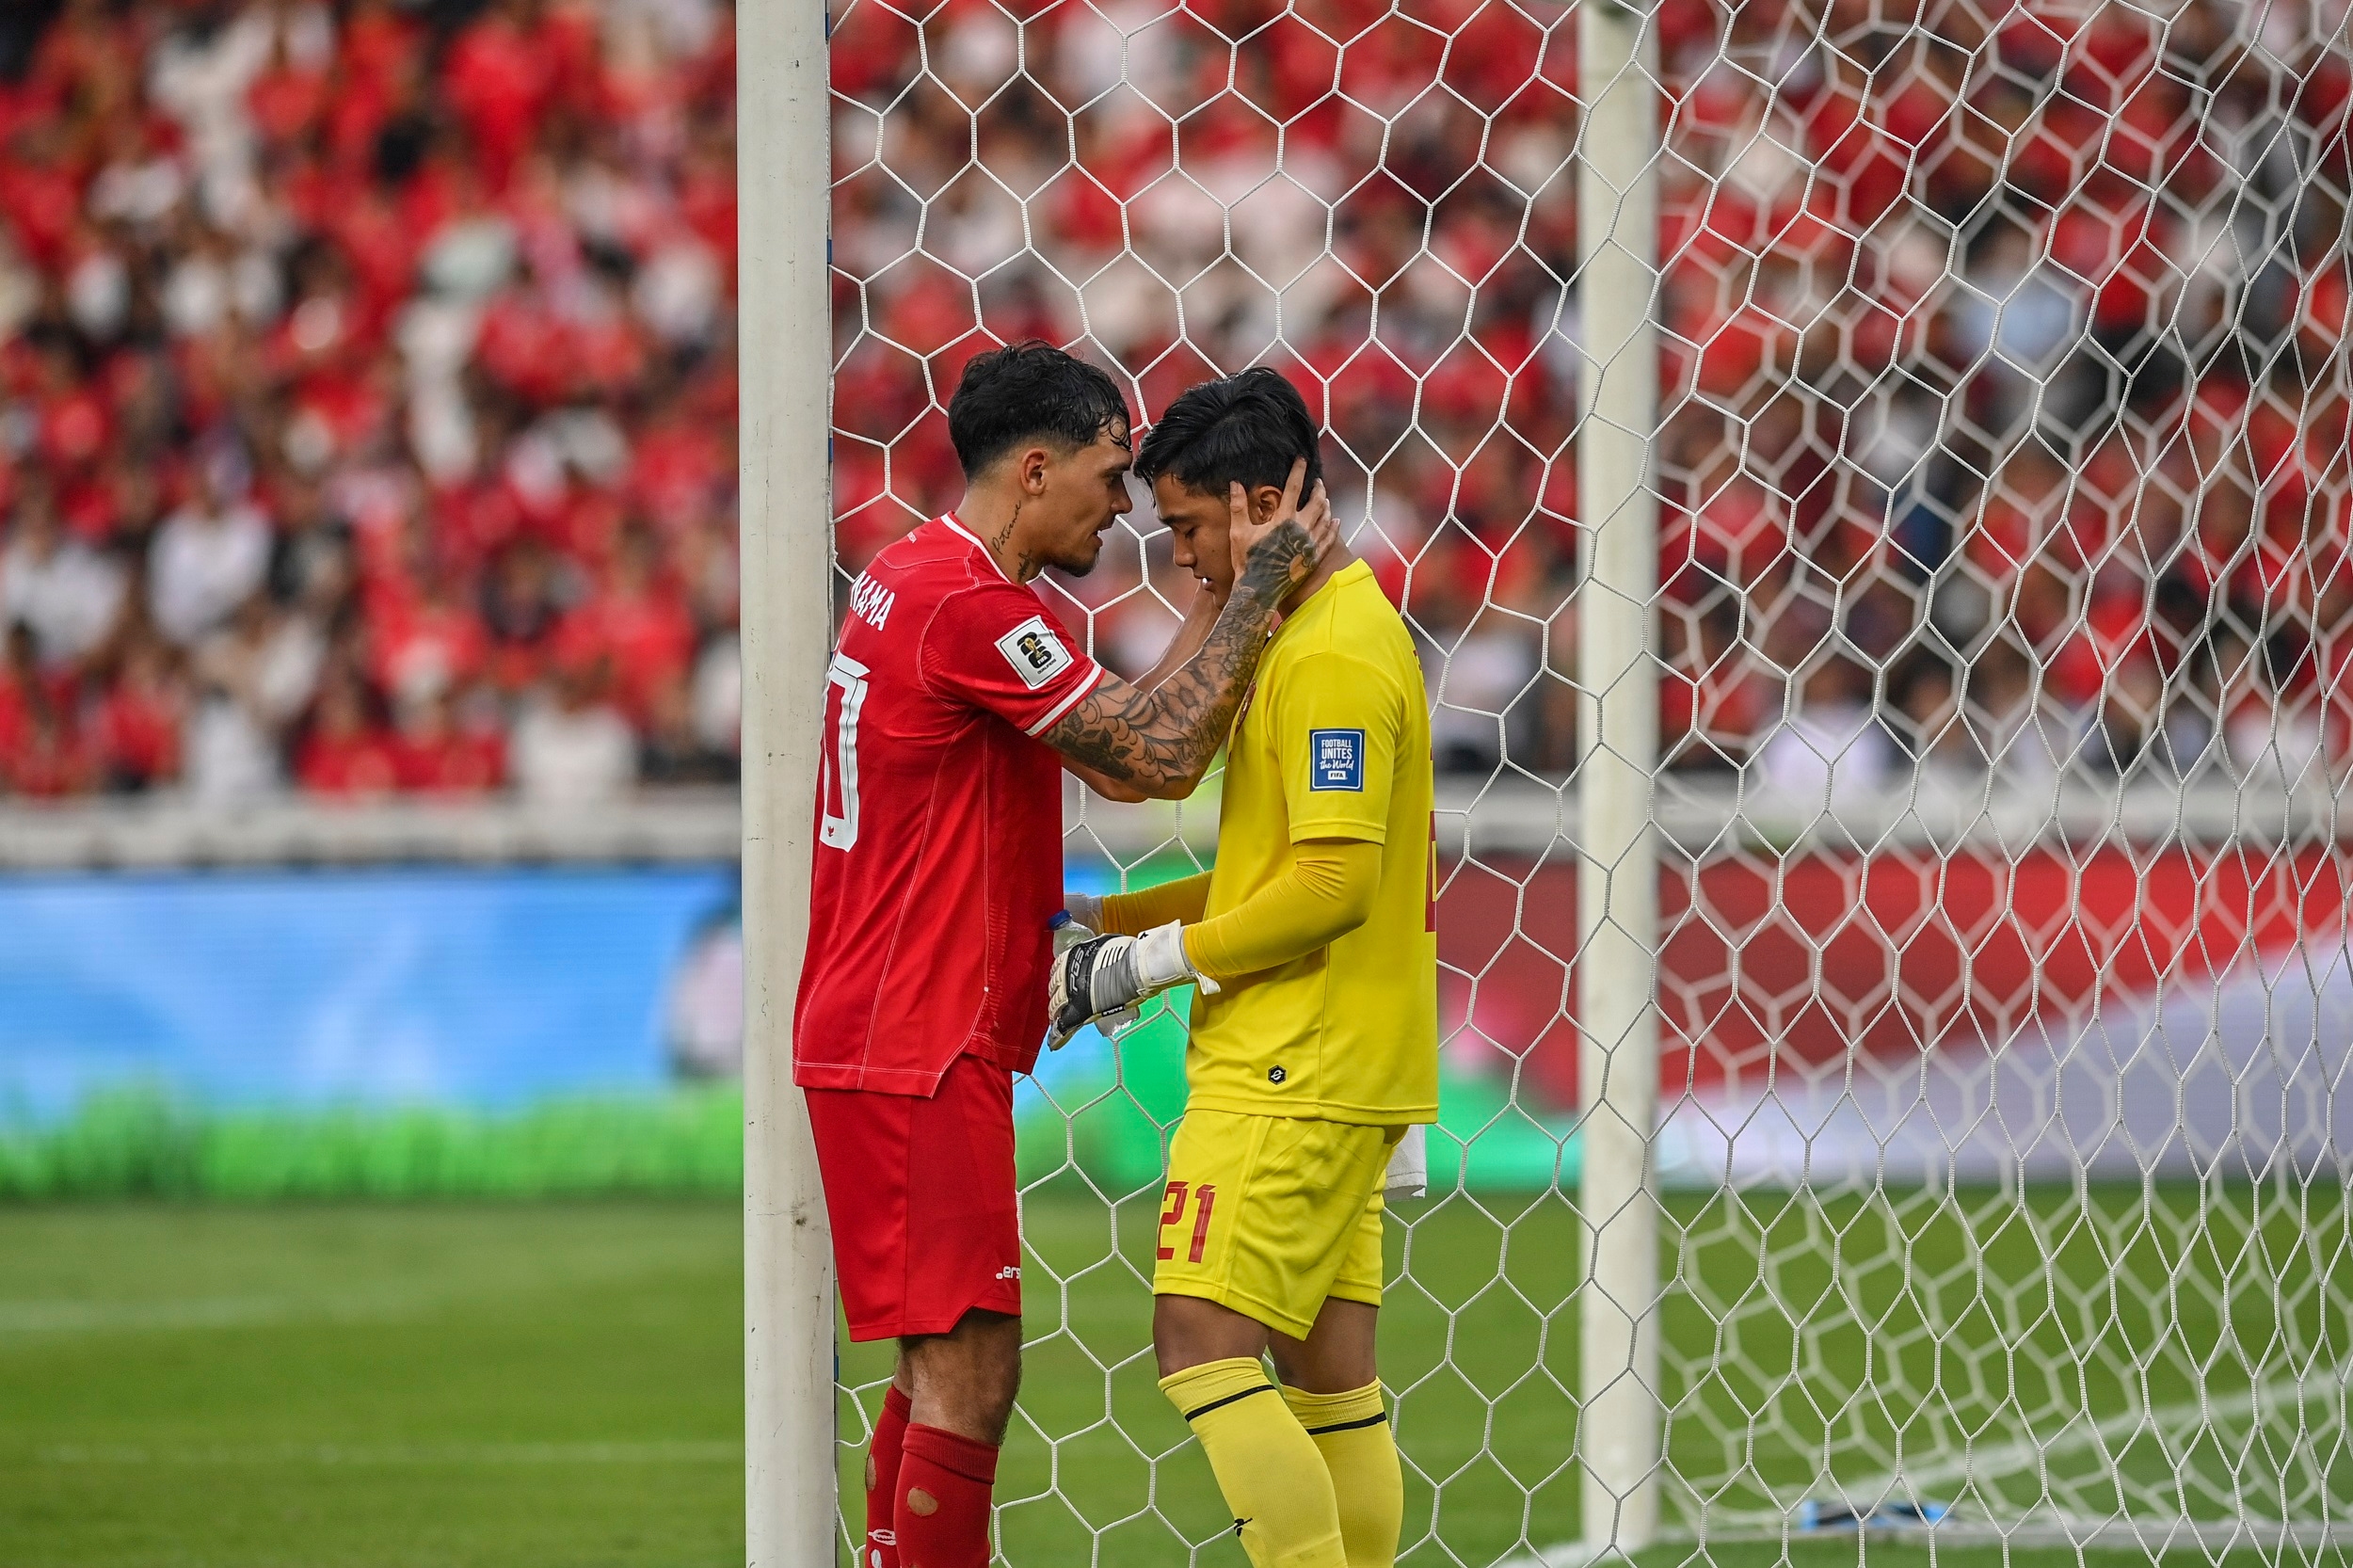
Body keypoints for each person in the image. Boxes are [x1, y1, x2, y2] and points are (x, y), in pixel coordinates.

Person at [792, 341, 1336, 1568]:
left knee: (939, 1369)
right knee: (972, 1374)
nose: (1123, 502)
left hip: (898, 1026)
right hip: (911, 1036)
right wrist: (1262, 583)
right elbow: (1159, 758)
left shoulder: (914, 576)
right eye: (1106, 471)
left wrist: (1218, 589)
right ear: (1034, 469)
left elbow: (1129, 743)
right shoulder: (972, 607)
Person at [1050, 367, 1440, 1568]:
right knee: (1329, 1378)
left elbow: (1329, 892)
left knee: (1199, 1342)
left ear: (1262, 504)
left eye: (1186, 529)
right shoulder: (1319, 631)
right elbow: (1275, 870)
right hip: (1342, 1062)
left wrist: (1138, 965)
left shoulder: (1330, 656)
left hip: (1294, 1065)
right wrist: (1109, 915)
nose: (1180, 559)